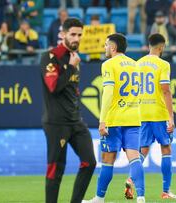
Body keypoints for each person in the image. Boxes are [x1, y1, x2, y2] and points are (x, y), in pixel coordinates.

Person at [83, 33, 145, 203]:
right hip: (133, 118)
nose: (104, 48)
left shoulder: (108, 64)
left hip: (115, 119)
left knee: (108, 160)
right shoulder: (135, 65)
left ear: (113, 47)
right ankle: (141, 197)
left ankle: (99, 198)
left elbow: (108, 93)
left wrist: (102, 120)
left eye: (105, 45)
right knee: (134, 157)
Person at [40, 18, 96, 203]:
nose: (77, 38)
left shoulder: (75, 58)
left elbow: (73, 90)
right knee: (56, 169)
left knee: (90, 162)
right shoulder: (50, 56)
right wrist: (72, 67)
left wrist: (73, 66)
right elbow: (53, 86)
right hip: (56, 122)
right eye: (73, 34)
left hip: (75, 121)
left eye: (80, 35)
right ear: (63, 34)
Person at [124, 33, 176, 200]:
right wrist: (171, 117)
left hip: (141, 113)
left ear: (149, 45)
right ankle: (165, 191)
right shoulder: (163, 64)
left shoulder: (137, 64)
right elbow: (165, 90)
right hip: (158, 113)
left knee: (143, 150)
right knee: (166, 148)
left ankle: (130, 178)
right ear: (162, 47)